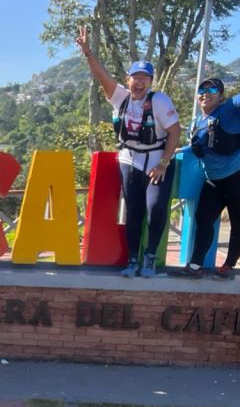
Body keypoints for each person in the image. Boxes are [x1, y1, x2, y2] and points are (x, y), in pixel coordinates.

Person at [76, 26, 182, 278]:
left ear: (151, 82)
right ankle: (133, 259)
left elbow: (175, 131)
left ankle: (150, 257)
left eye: (145, 78)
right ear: (128, 79)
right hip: (129, 160)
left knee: (155, 208)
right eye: (135, 77)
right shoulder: (120, 97)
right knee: (133, 211)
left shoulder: (159, 101)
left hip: (156, 160)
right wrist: (87, 52)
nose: (139, 82)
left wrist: (164, 163)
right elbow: (102, 76)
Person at [173, 54, 240, 280]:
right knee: (203, 218)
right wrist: (172, 152)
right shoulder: (196, 123)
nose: (205, 94)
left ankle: (228, 266)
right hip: (215, 178)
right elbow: (196, 147)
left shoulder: (228, 110)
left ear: (220, 96)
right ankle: (195, 266)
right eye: (202, 90)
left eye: (211, 90)